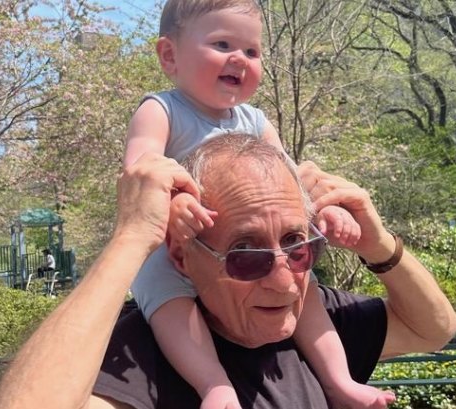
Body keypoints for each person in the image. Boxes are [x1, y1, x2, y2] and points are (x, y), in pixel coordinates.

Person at [0, 134, 456, 409]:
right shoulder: (140, 360)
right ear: (182, 257)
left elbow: (434, 328)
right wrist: (130, 238)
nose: (282, 280)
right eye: (245, 253)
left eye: (297, 246)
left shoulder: (317, 329)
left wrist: (378, 243)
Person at [123, 1, 390, 407]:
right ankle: (215, 386)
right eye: (222, 43)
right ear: (170, 55)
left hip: (252, 252)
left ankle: (339, 380)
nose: (239, 58)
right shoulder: (161, 111)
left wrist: (325, 211)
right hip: (174, 246)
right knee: (169, 302)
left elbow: (290, 188)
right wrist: (172, 205)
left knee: (307, 294)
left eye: (251, 51)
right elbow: (140, 172)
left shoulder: (255, 121)